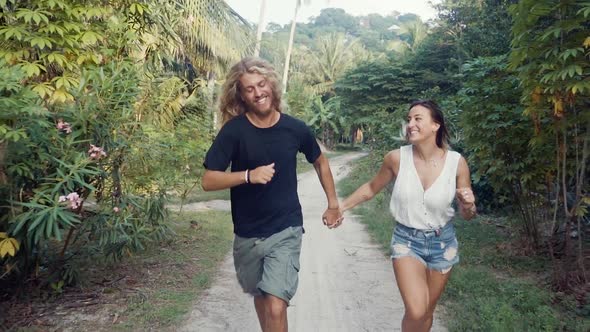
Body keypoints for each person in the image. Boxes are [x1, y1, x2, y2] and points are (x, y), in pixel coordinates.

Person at [201, 57, 342, 332]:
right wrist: (248, 175)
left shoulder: (295, 128)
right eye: (249, 88)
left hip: (285, 228)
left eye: (261, 84)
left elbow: (320, 161)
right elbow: (208, 180)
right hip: (247, 234)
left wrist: (333, 203)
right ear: (240, 95)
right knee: (263, 298)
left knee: (277, 305)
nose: (258, 92)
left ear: (272, 85)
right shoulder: (234, 131)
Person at [339, 100, 476, 332]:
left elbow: (468, 214)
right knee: (417, 311)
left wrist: (469, 205)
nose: (410, 124)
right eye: (409, 119)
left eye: (417, 119)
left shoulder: (457, 163)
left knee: (426, 313)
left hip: (444, 244)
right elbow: (371, 188)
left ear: (435, 125)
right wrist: (340, 207)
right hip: (407, 242)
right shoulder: (396, 158)